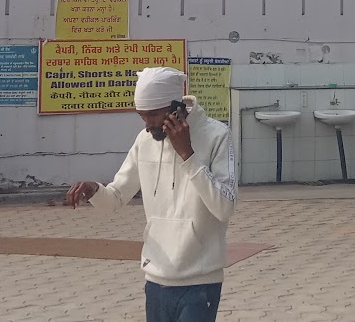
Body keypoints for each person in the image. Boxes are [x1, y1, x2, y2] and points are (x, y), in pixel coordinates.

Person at [65, 67, 236, 322]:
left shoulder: (216, 136)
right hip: (156, 279)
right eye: (141, 116)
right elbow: (115, 198)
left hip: (200, 280)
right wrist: (95, 191)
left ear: (177, 107)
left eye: (153, 115)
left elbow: (225, 207)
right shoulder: (144, 141)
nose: (147, 125)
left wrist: (187, 155)